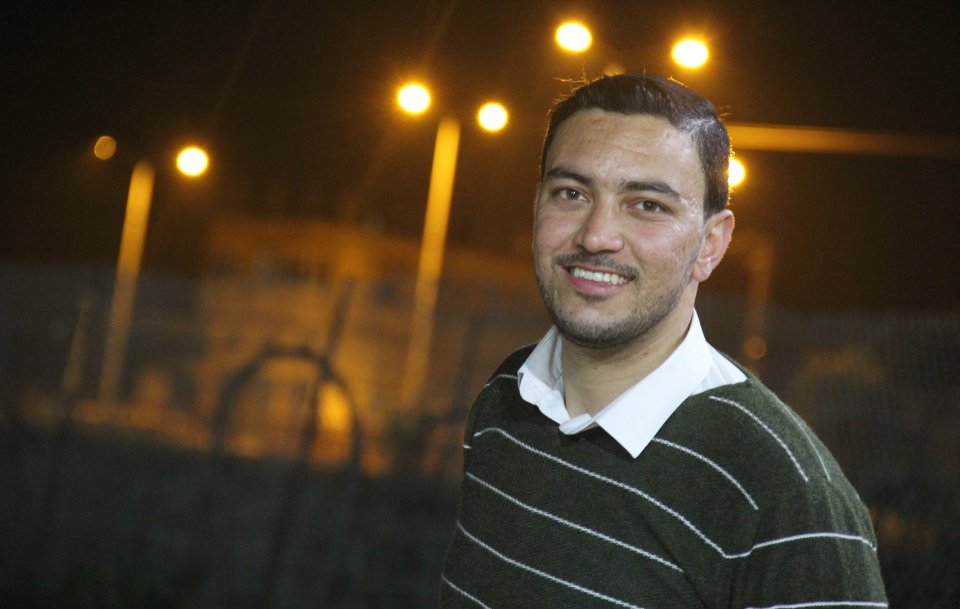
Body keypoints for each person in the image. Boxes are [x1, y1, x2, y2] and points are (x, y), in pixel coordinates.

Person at [439, 73, 887, 608]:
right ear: (538, 206)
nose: (596, 235)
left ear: (710, 244)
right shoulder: (506, 396)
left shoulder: (785, 493)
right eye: (572, 193)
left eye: (647, 205)